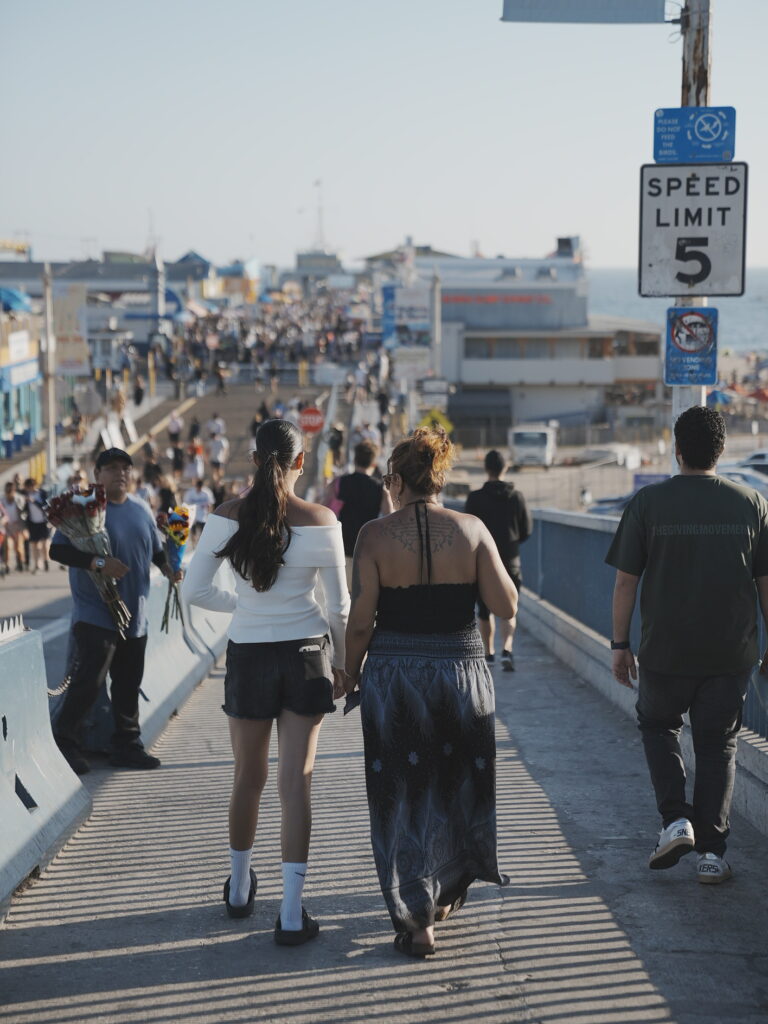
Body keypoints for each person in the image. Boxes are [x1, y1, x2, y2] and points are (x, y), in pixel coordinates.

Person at [344, 428, 517, 957]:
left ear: (396, 479)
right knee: (454, 783)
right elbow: (505, 606)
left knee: (402, 793)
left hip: (394, 679)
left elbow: (359, 624)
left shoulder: (373, 536)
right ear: (440, 478)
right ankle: (442, 894)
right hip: (461, 673)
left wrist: (348, 674)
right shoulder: (472, 529)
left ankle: (419, 919)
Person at [182, 419, 349, 945]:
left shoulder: (226, 517)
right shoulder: (322, 519)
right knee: (294, 782)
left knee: (246, 778)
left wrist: (241, 606)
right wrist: (345, 665)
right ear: (300, 462)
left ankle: (237, 888)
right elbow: (339, 608)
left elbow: (193, 590)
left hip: (249, 655)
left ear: (254, 459)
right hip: (304, 655)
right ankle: (293, 914)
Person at [606, 406, 768, 884]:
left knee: (659, 727)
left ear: (677, 450)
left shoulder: (647, 503)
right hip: (730, 654)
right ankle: (713, 855)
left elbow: (624, 585)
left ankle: (676, 820)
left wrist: (620, 643)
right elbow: (766, 585)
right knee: (719, 745)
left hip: (664, 653)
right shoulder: (752, 503)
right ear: (721, 450)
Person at [50, 448, 183, 775]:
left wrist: (168, 568)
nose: (120, 473)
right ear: (97, 475)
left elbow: (155, 549)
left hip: (135, 615)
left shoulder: (140, 508)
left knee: (127, 684)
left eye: (125, 468)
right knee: (89, 683)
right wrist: (98, 563)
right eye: (111, 468)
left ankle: (127, 745)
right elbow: (57, 550)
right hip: (95, 613)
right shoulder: (81, 506)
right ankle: (65, 743)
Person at [465, 450, 532, 672]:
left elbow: (468, 532)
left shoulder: (475, 498)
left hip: (482, 563)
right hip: (511, 560)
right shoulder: (517, 497)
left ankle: (489, 653)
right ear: (505, 467)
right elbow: (526, 530)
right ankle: (507, 649)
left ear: (486, 469)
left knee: (484, 610)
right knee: (509, 608)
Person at [322, 441, 392, 588]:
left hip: (342, 547)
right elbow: (390, 518)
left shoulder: (340, 482)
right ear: (373, 463)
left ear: (354, 460)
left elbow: (324, 509)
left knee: (344, 596)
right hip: (367, 549)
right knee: (363, 597)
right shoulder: (380, 489)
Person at [1, 480, 28, 572]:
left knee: (19, 547)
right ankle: (7, 565)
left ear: (14, 490)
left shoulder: (19, 499)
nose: (9, 493)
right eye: (7, 491)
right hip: (7, 527)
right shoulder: (2, 500)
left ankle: (20, 562)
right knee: (8, 546)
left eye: (11, 491)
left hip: (18, 526)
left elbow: (24, 512)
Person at [23, 477, 50, 572]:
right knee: (35, 544)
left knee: (45, 544)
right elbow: (24, 509)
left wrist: (34, 501)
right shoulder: (26, 495)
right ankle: (37, 564)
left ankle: (46, 561)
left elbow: (45, 506)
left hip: (44, 522)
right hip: (33, 523)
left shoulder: (42, 493)